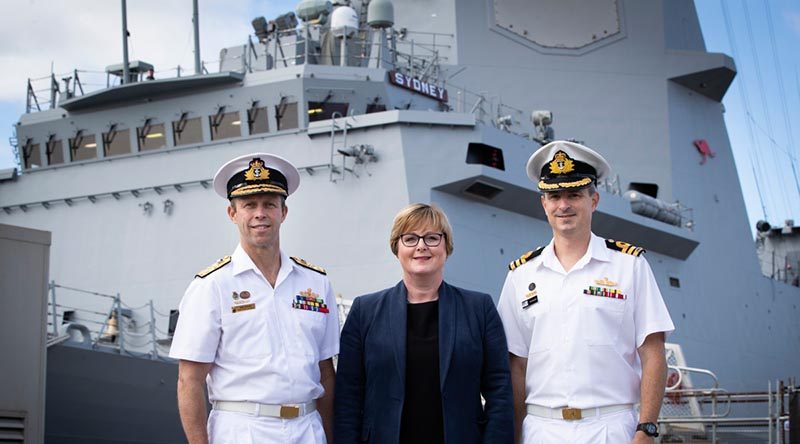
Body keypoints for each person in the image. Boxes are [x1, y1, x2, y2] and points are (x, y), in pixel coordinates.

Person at [497, 141, 675, 443]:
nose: (563, 205)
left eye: (574, 195)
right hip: (541, 429)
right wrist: (514, 433)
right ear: (544, 204)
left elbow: (652, 351)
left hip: (610, 427)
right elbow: (516, 364)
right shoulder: (521, 275)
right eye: (554, 196)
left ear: (594, 200)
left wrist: (647, 428)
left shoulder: (629, 266)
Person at [169, 153, 339, 444]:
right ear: (232, 214)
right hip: (242, 430)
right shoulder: (211, 286)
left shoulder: (316, 282)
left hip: (307, 430)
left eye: (269, 204)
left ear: (283, 213)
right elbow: (189, 381)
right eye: (249, 205)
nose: (260, 213)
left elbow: (326, 373)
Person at [335, 203, 514, 444]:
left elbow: (500, 391)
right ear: (396, 247)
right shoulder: (364, 312)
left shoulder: (479, 309)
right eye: (410, 238)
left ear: (446, 246)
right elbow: (348, 396)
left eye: (432, 238)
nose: (421, 246)